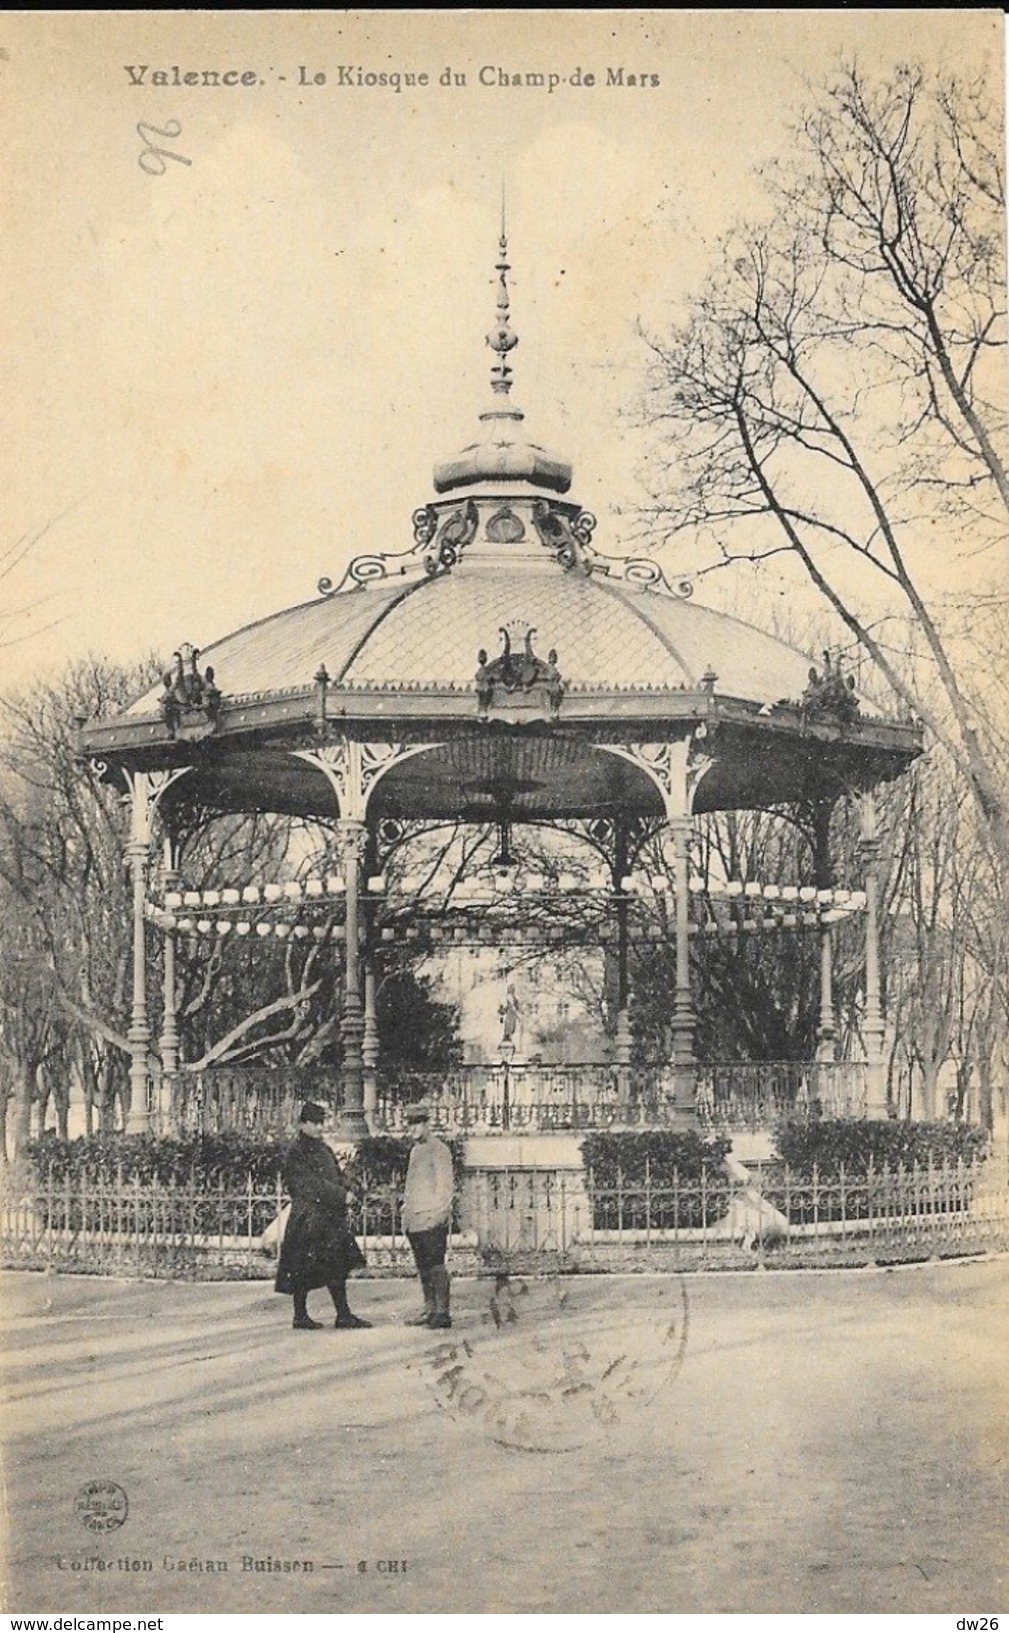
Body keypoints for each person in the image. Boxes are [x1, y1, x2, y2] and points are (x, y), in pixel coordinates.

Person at [274, 1101, 372, 1331]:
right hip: (308, 1217)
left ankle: (343, 1314)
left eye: (321, 1122)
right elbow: (308, 1185)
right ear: (303, 1124)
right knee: (302, 1267)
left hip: (327, 1217)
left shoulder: (323, 1149)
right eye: (314, 1123)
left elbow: (334, 1176)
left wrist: (349, 1186)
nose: (319, 1127)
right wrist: (340, 1195)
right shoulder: (296, 1152)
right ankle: (300, 1315)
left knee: (336, 1264)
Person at [402, 1101, 455, 1330]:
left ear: (427, 1124)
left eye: (417, 1124)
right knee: (423, 1267)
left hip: (431, 1218)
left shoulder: (439, 1150)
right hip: (415, 1219)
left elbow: (445, 1187)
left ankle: (442, 1312)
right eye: (410, 1124)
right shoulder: (415, 1151)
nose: (412, 1129)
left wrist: (439, 1215)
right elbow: (410, 1187)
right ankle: (429, 1309)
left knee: (436, 1265)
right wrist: (406, 1215)